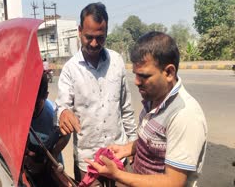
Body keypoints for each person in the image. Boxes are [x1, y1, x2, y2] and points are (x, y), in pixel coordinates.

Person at [86, 31, 207, 187]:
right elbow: (152, 143)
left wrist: (117, 175)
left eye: (144, 76)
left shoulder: (184, 115)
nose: (136, 82)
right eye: (135, 74)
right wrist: (127, 149)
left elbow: (173, 182)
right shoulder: (153, 99)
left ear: (169, 72)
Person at [55, 2, 137, 186]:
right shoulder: (70, 70)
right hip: (88, 162)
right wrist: (63, 113)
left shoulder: (116, 61)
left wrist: (132, 145)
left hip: (119, 157)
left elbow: (126, 108)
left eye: (100, 38)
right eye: (88, 37)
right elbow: (62, 107)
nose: (94, 43)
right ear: (79, 31)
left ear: (106, 33)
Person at [23, 73, 71, 187]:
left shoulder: (55, 116)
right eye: (29, 104)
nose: (33, 110)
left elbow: (66, 135)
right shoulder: (19, 111)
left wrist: (54, 153)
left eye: (37, 104)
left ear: (46, 95)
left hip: (49, 165)